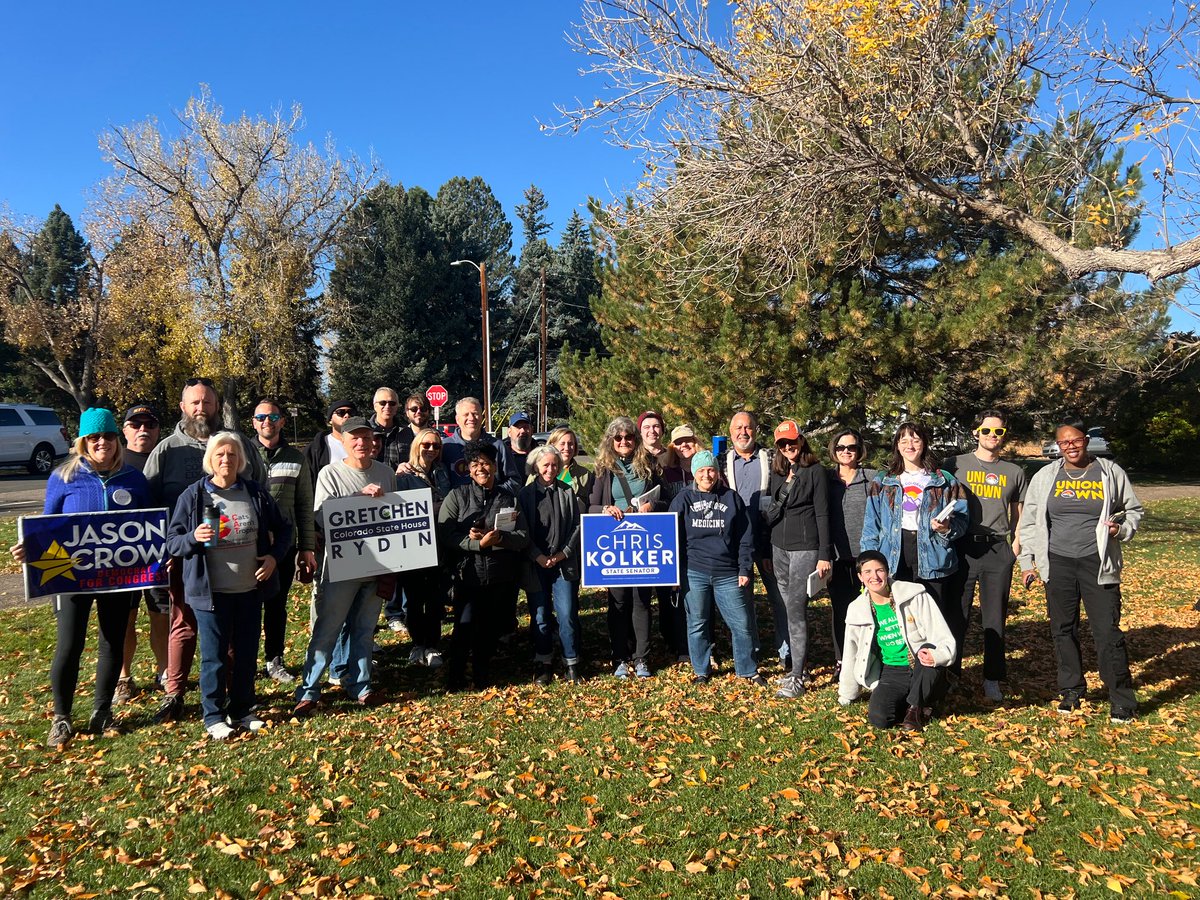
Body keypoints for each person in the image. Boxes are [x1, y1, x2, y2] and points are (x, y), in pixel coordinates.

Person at [9, 408, 151, 747]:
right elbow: (48, 526)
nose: (103, 442)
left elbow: (148, 526)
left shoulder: (133, 478)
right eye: (94, 437)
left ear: (117, 439)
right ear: (83, 441)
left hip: (118, 577)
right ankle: (62, 716)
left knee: (112, 641)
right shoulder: (64, 477)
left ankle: (102, 711)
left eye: (109, 436)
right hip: (71, 577)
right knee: (69, 644)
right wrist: (30, 548)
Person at [144, 377, 266, 724]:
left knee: (231, 631)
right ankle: (175, 693)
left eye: (207, 402)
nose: (201, 408)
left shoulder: (238, 444)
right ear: (183, 407)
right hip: (184, 557)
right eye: (194, 402)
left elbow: (258, 489)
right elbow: (148, 507)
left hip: (233, 558)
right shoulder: (166, 450)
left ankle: (233, 694)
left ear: (216, 406)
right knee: (183, 625)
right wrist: (166, 552)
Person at [166, 432, 292, 740]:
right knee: (215, 658)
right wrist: (193, 537)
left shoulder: (254, 492)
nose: (226, 460)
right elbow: (172, 542)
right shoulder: (193, 496)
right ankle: (213, 715)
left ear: (241, 460)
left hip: (250, 589)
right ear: (210, 460)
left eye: (232, 454)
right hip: (210, 594)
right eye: (220, 454)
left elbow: (284, 529)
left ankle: (242, 709)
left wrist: (273, 558)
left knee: (247, 653)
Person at [1018, 420, 1143, 723]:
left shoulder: (1110, 472)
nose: (1070, 446)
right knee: (1062, 630)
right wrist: (1027, 562)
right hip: (1057, 562)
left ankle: (1121, 698)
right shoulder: (1046, 476)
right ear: (1058, 446)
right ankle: (1071, 690)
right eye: (1064, 442)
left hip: (1097, 563)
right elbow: (1030, 521)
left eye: (1075, 440)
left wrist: (1121, 529)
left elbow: (1133, 510)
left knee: (1107, 631)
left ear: (1086, 441)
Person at [294, 417, 398, 716]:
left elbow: (396, 516)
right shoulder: (331, 473)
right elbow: (321, 516)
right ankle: (309, 691)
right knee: (327, 629)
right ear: (344, 441)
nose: (361, 443)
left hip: (377, 565)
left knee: (364, 630)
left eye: (366, 437)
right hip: (341, 567)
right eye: (355, 438)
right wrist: (358, 498)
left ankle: (361, 686)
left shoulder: (386, 473)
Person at [668, 450, 768, 688]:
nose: (707, 475)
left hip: (728, 572)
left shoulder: (731, 498)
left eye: (711, 470)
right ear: (694, 473)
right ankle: (701, 670)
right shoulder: (683, 499)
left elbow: (745, 537)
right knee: (697, 623)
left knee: (741, 624)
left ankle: (747, 669)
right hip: (694, 571)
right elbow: (670, 537)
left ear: (717, 472)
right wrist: (674, 573)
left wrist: (744, 569)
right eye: (701, 471)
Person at [947, 410, 1028, 701]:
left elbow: (1019, 516)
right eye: (986, 430)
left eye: (998, 431)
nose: (992, 436)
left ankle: (992, 677)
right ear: (975, 432)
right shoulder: (955, 465)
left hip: (997, 550)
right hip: (962, 548)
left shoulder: (1014, 472)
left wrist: (1014, 549)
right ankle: (951, 675)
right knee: (956, 615)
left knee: (995, 618)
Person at [439, 440, 529, 691]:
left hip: (500, 575)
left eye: (486, 463)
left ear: (495, 467)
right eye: (476, 464)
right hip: (468, 574)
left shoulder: (508, 498)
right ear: (469, 470)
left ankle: (482, 673)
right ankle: (455, 676)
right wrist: (475, 543)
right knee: (463, 626)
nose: (481, 469)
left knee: (489, 628)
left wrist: (500, 539)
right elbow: (446, 535)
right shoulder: (457, 496)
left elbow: (523, 537)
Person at [860, 421, 968, 626]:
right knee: (897, 616)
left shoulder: (944, 481)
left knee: (931, 618)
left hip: (933, 556)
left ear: (924, 444)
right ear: (897, 445)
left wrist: (946, 528)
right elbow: (871, 525)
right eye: (904, 441)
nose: (909, 445)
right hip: (893, 555)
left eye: (915, 440)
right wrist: (869, 561)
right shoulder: (883, 481)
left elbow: (962, 520)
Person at [838, 551, 956, 731]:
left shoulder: (914, 594)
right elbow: (851, 652)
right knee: (879, 719)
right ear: (860, 577)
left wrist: (938, 655)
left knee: (926, 650)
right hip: (892, 670)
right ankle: (918, 703)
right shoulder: (857, 609)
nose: (874, 576)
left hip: (921, 664)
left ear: (887, 572)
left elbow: (941, 633)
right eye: (868, 572)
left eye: (879, 570)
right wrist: (847, 693)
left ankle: (915, 709)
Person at [588, 416, 667, 678]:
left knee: (641, 601)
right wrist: (605, 509)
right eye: (618, 438)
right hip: (615, 543)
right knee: (619, 602)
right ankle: (619, 656)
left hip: (643, 542)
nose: (624, 442)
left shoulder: (650, 465)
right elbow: (590, 506)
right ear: (611, 441)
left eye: (629, 437)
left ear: (636, 439)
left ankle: (642, 657)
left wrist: (652, 505)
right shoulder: (604, 469)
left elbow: (667, 499)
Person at [250, 398, 317, 683]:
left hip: (284, 547)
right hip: (247, 547)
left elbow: (304, 505)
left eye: (273, 417)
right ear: (254, 423)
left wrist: (307, 547)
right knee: (248, 607)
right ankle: (245, 661)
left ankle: (274, 659)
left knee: (277, 606)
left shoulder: (296, 458)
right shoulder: (243, 454)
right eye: (261, 417)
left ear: (282, 421)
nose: (267, 422)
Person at [765, 421, 832, 699]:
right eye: (782, 443)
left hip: (805, 548)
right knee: (786, 607)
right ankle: (800, 668)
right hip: (778, 546)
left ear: (801, 440)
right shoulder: (778, 471)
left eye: (792, 441)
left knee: (795, 609)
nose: (788, 447)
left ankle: (796, 677)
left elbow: (823, 513)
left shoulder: (815, 471)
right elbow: (772, 508)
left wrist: (824, 554)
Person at [718, 411, 787, 669]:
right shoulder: (721, 461)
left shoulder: (771, 457)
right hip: (736, 542)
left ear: (756, 430)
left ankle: (786, 651)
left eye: (748, 427)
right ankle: (751, 650)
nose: (743, 432)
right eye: (738, 427)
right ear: (730, 431)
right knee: (742, 600)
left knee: (779, 597)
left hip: (769, 538)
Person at [518, 445, 583, 684]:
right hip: (535, 564)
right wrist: (537, 556)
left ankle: (571, 661)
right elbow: (521, 530)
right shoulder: (524, 495)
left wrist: (564, 553)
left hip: (562, 564)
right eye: (545, 465)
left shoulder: (567, 491)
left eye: (554, 465)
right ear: (536, 466)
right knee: (540, 615)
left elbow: (577, 525)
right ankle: (543, 661)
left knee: (567, 614)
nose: (550, 469)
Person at [115, 403, 165, 705]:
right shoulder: (116, 460)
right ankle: (123, 678)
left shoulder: (167, 455)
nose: (143, 430)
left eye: (149, 424)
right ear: (125, 430)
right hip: (122, 556)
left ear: (158, 429)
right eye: (135, 425)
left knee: (161, 614)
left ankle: (164, 672)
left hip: (159, 553)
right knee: (125, 617)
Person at [395, 427, 452, 668]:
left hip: (439, 544)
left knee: (436, 598)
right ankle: (418, 644)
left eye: (436, 446)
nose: (431, 449)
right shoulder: (403, 475)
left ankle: (432, 645)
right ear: (416, 446)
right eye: (426, 444)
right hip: (413, 547)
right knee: (415, 599)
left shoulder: (442, 473)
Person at [826, 429, 876, 677]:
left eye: (851, 447)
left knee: (870, 610)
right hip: (836, 557)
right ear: (834, 450)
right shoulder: (826, 479)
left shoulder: (872, 479)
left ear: (859, 450)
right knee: (840, 610)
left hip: (865, 557)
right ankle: (842, 660)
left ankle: (870, 659)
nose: (846, 451)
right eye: (841, 447)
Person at [441, 397, 509, 488]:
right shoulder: (445, 447)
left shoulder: (497, 446)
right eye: (466, 414)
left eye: (475, 414)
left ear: (482, 417)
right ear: (457, 419)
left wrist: (494, 494)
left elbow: (512, 480)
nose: (471, 418)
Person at [302, 399, 358, 491]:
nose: (347, 416)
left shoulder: (366, 444)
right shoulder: (315, 449)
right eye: (340, 413)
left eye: (351, 412)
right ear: (330, 420)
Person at [544, 426, 593, 503]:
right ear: (552, 446)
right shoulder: (539, 472)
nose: (567, 448)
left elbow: (592, 503)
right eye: (562, 444)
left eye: (570, 444)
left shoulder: (585, 475)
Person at [369, 387, 407, 471]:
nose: (387, 406)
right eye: (382, 403)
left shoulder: (406, 433)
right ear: (375, 406)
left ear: (397, 407)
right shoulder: (365, 430)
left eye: (392, 403)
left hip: (398, 479)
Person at [502, 411, 535, 488]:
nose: (522, 431)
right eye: (518, 427)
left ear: (532, 430)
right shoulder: (501, 455)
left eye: (526, 427)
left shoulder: (540, 454)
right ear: (509, 431)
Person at [397, 393, 433, 463]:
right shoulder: (398, 436)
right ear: (407, 413)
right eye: (414, 409)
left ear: (429, 412)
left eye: (423, 409)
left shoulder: (440, 437)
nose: (418, 412)